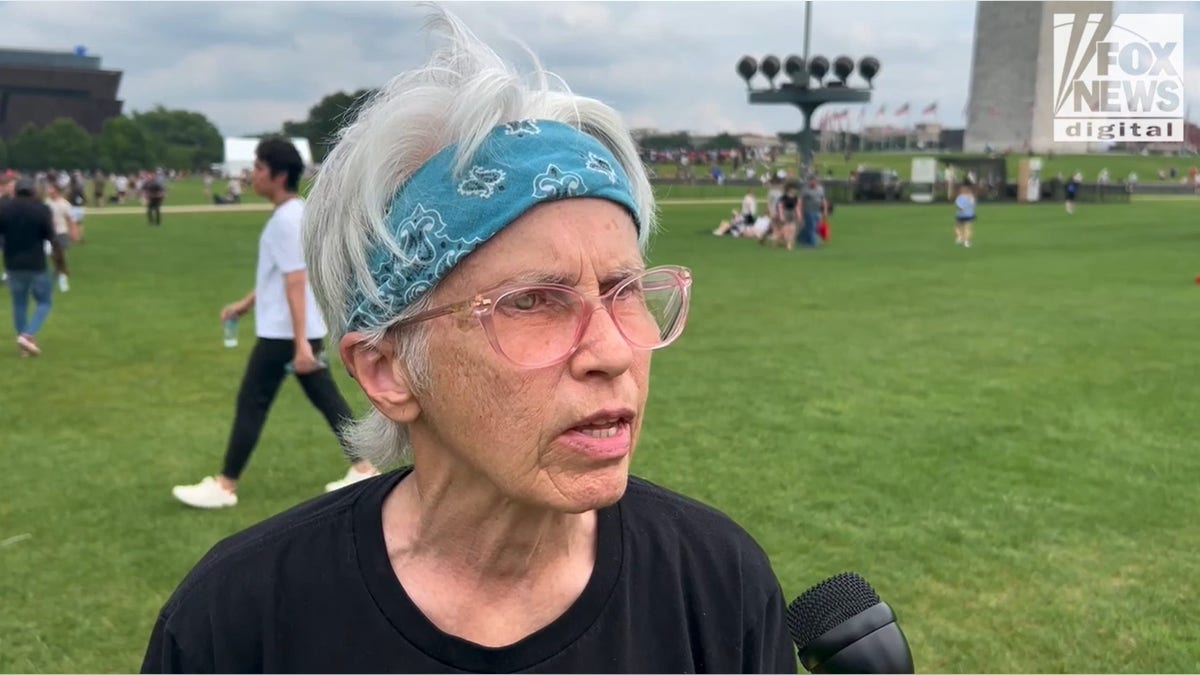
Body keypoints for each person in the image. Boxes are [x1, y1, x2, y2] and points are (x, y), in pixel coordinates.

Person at [143, 9, 794, 673]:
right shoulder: (237, 625)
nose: (613, 352)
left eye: (624, 291)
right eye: (534, 301)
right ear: (386, 368)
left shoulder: (718, 587)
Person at [170, 138, 380, 510]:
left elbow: (296, 279)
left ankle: (225, 485)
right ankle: (363, 466)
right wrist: (246, 304)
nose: (252, 175)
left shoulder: (287, 220)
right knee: (325, 399)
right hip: (294, 331)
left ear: (279, 175)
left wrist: (299, 343)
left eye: (259, 168)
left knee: (252, 402)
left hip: (284, 335)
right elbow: (281, 275)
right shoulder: (294, 213)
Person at [0, 178, 58, 356]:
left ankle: (23, 346)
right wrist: (60, 262)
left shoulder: (4, 209)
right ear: (33, 192)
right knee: (45, 302)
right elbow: (50, 236)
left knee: (19, 303)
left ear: (15, 191)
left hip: (12, 263)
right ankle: (28, 334)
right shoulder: (41, 209)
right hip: (36, 263)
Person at [43, 183, 75, 292]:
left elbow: (70, 219)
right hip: (50, 233)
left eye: (50, 188)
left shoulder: (64, 204)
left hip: (62, 232)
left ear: (56, 190)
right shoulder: (47, 203)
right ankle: (60, 271)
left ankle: (62, 273)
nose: (48, 190)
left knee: (61, 254)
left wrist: (73, 232)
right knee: (53, 254)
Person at [798, 175, 827, 248]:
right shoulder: (805, 190)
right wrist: (800, 212)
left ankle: (802, 239)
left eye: (814, 181)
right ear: (809, 182)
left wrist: (825, 210)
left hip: (817, 210)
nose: (813, 183)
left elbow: (823, 200)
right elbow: (800, 201)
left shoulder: (820, 189)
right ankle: (813, 243)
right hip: (808, 211)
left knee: (811, 226)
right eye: (811, 181)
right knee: (812, 226)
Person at [954, 182, 976, 248]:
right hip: (969, 215)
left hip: (960, 215)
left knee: (958, 226)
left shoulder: (960, 197)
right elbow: (972, 205)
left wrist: (961, 207)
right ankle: (966, 241)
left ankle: (959, 237)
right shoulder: (971, 197)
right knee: (968, 228)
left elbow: (959, 206)